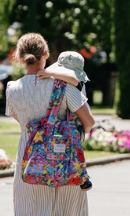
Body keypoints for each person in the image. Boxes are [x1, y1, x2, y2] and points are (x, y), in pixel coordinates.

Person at [5, 33, 95, 216]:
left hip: (29, 160)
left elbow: (19, 120)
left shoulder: (13, 88)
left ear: (19, 58)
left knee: (29, 214)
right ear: (47, 56)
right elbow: (88, 122)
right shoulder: (63, 87)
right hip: (63, 162)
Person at [36, 51, 93, 191]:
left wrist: (50, 73)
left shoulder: (74, 82)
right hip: (73, 123)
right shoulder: (67, 81)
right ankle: (82, 178)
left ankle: (83, 177)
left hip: (75, 122)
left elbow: (72, 78)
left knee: (74, 154)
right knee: (73, 154)